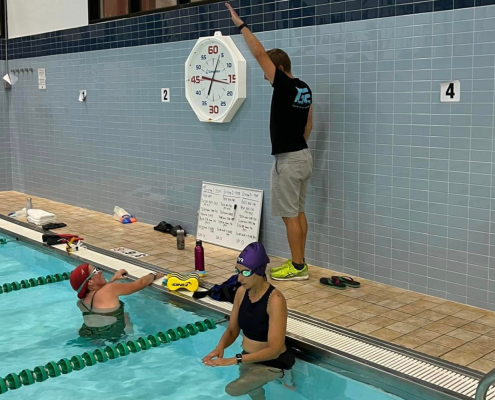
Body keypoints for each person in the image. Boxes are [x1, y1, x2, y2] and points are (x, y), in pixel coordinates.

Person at [226, 3, 313, 281]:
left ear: (279, 67)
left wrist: (241, 25)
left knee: (289, 215)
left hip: (289, 160)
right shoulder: (304, 88)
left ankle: (297, 267)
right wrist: (296, 143)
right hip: (303, 155)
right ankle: (300, 263)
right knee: (298, 212)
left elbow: (259, 53)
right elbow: (309, 123)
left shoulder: (285, 86)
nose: (265, 76)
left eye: (268, 71)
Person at [203, 243, 295, 400]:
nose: (239, 278)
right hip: (249, 358)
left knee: (233, 389)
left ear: (259, 271)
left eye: (245, 272)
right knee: (255, 393)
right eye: (237, 272)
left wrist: (234, 360)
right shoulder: (241, 292)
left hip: (272, 362)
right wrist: (219, 348)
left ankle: (284, 374)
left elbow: (275, 349)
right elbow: (232, 330)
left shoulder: (275, 300)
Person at [69, 263, 164, 340]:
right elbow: (140, 283)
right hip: (112, 335)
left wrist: (113, 279)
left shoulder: (81, 301)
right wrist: (154, 275)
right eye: (96, 271)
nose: (100, 271)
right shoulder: (111, 289)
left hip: (88, 333)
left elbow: (101, 293)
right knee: (125, 316)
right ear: (90, 283)